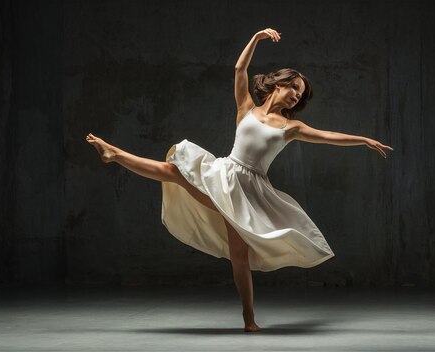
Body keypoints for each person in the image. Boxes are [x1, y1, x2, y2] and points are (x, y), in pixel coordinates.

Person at [86, 28, 393, 332]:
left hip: (250, 190)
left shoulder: (291, 127)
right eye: (295, 88)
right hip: (224, 174)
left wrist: (362, 139)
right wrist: (257, 38)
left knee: (239, 255)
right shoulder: (246, 108)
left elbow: (328, 137)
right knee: (174, 172)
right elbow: (239, 68)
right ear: (279, 83)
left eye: (300, 94)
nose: (297, 96)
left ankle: (249, 319)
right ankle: (114, 154)